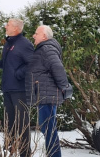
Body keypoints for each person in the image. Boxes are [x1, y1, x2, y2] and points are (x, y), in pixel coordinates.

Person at [0, 18, 34, 157]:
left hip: (20, 90)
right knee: (9, 123)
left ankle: (25, 153)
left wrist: (18, 74)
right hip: (8, 89)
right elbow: (6, 64)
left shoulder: (24, 44)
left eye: (9, 25)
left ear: (16, 28)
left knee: (22, 123)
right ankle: (8, 151)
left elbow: (32, 64)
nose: (5, 26)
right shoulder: (8, 44)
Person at [26, 25, 70, 157]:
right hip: (44, 95)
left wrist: (65, 88)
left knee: (48, 129)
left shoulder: (46, 49)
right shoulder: (43, 49)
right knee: (47, 128)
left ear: (44, 36)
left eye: (36, 33)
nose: (33, 36)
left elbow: (57, 68)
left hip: (48, 96)